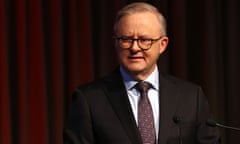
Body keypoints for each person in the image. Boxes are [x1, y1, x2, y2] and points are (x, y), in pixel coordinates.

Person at [63, 2, 220, 144]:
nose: (135, 48)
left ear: (162, 44)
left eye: (145, 40)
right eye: (126, 39)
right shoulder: (89, 100)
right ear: (116, 43)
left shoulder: (192, 97)